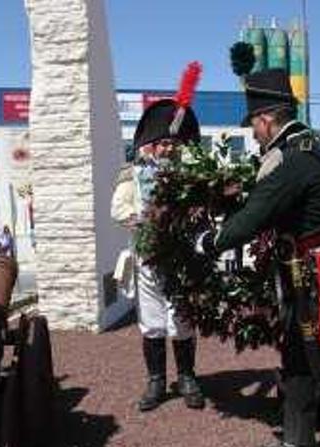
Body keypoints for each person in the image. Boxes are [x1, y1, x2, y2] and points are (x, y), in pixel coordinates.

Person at [196, 68, 320, 447]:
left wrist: (209, 241)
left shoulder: (293, 159)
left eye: (254, 127)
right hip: (310, 269)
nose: (254, 136)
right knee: (296, 357)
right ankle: (299, 440)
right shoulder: (308, 147)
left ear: (266, 119)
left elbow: (256, 216)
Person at [110, 63, 206, 412]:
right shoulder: (131, 173)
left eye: (172, 143)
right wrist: (147, 222)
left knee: (181, 317)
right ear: (149, 145)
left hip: (180, 256)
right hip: (148, 256)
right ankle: (155, 382)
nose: (167, 149)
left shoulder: (189, 173)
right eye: (162, 143)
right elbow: (118, 209)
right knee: (151, 320)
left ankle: (187, 377)